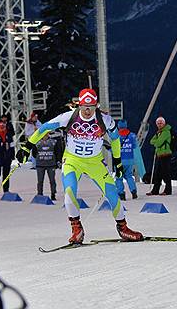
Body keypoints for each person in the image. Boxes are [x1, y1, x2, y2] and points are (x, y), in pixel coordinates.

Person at [16, 88, 143, 243]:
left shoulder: (105, 119)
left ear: (96, 105)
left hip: (95, 162)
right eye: (84, 107)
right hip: (72, 161)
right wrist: (27, 146)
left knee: (112, 194)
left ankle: (123, 228)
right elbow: (45, 128)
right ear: (79, 105)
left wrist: (117, 161)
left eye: (91, 107)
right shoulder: (69, 117)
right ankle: (77, 229)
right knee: (69, 194)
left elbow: (115, 139)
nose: (87, 111)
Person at [33, 129, 63, 201]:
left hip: (51, 164)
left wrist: (58, 161)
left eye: (46, 134)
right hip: (40, 164)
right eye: (43, 134)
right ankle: (40, 193)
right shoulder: (37, 142)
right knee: (40, 181)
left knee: (52, 180)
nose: (45, 136)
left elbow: (58, 152)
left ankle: (53, 194)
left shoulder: (53, 142)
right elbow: (34, 153)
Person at [147, 116, 173, 196]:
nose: (159, 125)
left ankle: (168, 190)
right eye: (158, 123)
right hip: (160, 155)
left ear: (164, 123)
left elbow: (158, 143)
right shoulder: (159, 132)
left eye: (161, 123)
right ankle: (155, 190)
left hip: (165, 154)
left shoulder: (166, 132)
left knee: (166, 173)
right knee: (158, 173)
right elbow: (151, 141)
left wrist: (156, 143)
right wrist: (156, 142)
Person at [115, 121, 139, 200]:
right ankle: (133, 191)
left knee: (119, 178)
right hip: (130, 159)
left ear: (118, 126)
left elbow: (113, 148)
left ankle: (121, 194)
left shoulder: (116, 135)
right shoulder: (132, 135)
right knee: (129, 176)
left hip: (119, 160)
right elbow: (135, 146)